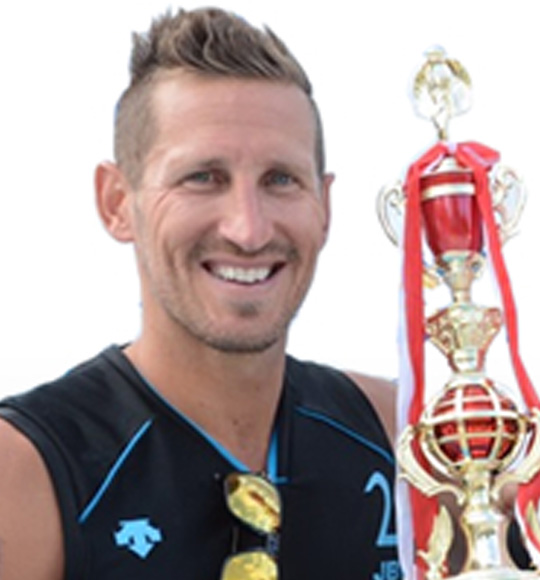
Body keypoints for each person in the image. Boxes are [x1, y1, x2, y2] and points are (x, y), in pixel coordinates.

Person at [0, 7, 399, 580]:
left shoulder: (399, 434)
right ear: (117, 202)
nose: (248, 229)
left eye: (280, 179)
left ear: (325, 206)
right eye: (203, 178)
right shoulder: (26, 470)